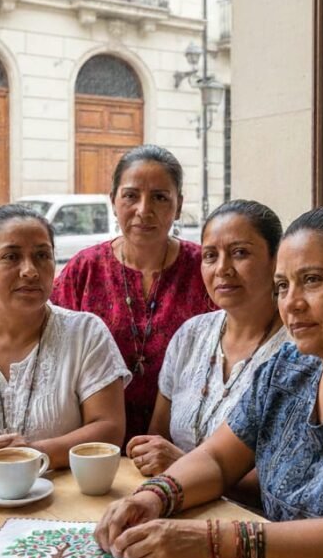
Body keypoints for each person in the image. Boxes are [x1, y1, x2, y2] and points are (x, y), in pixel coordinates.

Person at [94, 205, 323, 558]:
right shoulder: (287, 369)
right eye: (283, 286)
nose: (292, 303)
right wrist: (152, 497)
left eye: (313, 280)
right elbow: (217, 459)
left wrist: (213, 541)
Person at [50, 144, 210, 446]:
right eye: (131, 196)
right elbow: (52, 348)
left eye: (160, 197)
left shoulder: (204, 269)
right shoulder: (85, 270)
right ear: (113, 201)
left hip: (183, 447)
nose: (143, 210)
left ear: (178, 205)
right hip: (90, 444)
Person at [0, 205, 130, 469]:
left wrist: (34, 453)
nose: (30, 270)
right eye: (11, 257)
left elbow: (109, 429)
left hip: (60, 500)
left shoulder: (85, 334)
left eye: (41, 255)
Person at [129, 200, 290, 480]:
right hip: (174, 500)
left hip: (251, 518)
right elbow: (158, 435)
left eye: (240, 253)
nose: (223, 269)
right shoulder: (190, 335)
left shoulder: (297, 350)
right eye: (210, 256)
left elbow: (286, 480)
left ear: (276, 260)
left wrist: (183, 465)